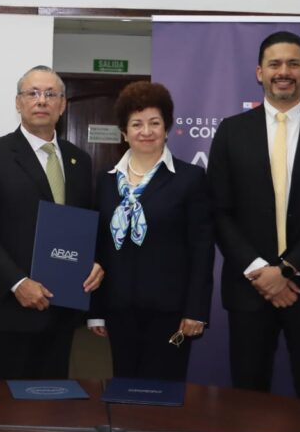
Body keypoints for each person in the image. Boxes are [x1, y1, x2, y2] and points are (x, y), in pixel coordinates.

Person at [207, 32, 300, 404]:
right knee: (247, 394)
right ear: (259, 72)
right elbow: (219, 211)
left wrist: (287, 270)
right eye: (275, 64)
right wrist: (262, 271)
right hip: (250, 286)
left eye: (293, 63)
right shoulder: (232, 131)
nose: (284, 72)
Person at [0, 66, 103, 380]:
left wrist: (94, 263)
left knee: (54, 408)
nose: (42, 101)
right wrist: (18, 283)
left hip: (64, 310)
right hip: (12, 309)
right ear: (18, 102)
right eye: (33, 93)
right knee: (10, 412)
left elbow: (84, 225)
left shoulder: (79, 160)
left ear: (63, 105)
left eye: (51, 94)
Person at [88, 82, 214, 380]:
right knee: (124, 387)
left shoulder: (190, 178)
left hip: (170, 311)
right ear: (124, 132)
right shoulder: (106, 181)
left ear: (167, 128)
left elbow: (202, 248)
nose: (146, 131)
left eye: (154, 123)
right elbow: (98, 249)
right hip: (119, 308)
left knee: (163, 395)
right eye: (137, 124)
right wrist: (96, 310)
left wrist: (196, 310)